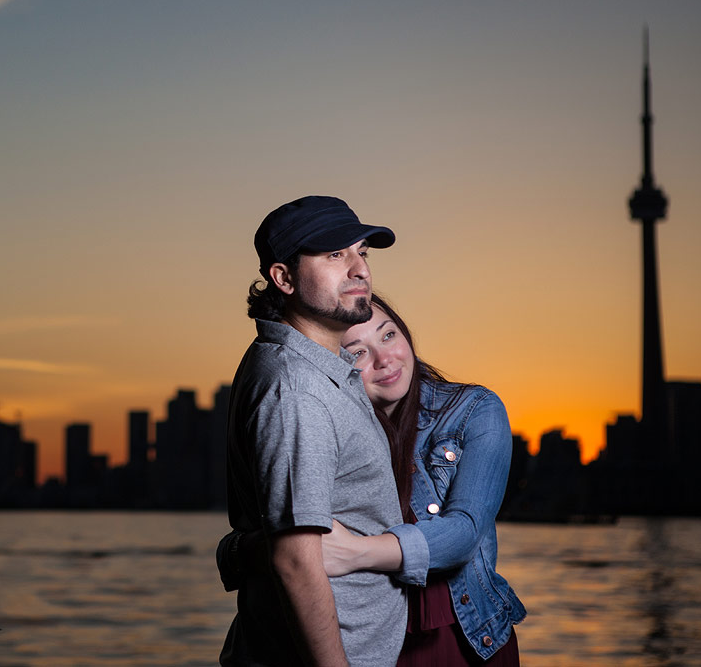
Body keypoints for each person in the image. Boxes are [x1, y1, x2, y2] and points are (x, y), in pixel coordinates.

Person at [219, 293, 526, 665]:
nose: (385, 360)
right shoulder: (318, 419)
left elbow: (464, 532)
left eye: (388, 335)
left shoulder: (473, 411)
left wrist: (353, 553)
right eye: (358, 352)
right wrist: (260, 550)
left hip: (464, 636)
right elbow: (285, 537)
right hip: (363, 640)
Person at [221, 195, 409, 667]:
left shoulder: (324, 367)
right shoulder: (297, 389)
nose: (360, 268)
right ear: (282, 278)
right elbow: (294, 558)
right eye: (334, 255)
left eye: (361, 251)